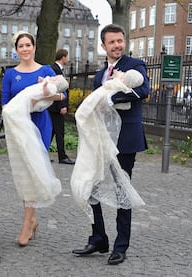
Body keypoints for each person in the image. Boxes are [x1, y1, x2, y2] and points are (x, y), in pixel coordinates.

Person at [72, 24, 150, 265]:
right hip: (100, 140)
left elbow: (143, 90)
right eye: (112, 42)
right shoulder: (98, 75)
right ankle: (99, 238)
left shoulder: (135, 65)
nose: (117, 45)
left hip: (125, 139)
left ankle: (121, 245)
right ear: (103, 46)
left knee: (121, 190)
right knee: (92, 185)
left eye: (120, 41)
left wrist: (111, 97)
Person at [1, 30, 67, 247]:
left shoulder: (46, 70)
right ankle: (32, 218)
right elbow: (5, 103)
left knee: (34, 169)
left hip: (40, 125)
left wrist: (46, 93)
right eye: (21, 46)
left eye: (28, 45)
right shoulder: (11, 74)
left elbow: (61, 95)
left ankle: (27, 222)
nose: (25, 49)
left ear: (34, 47)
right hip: (20, 127)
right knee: (23, 171)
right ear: (16, 50)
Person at [48, 49, 75, 164]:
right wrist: (62, 106)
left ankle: (42, 154)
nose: (67, 59)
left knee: (52, 132)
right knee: (59, 132)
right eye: (67, 57)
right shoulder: (56, 70)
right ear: (63, 57)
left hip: (53, 106)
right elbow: (58, 89)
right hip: (56, 106)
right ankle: (62, 156)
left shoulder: (57, 69)